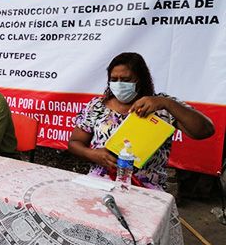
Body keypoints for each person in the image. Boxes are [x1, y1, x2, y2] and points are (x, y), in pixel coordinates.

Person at [68, 52, 215, 190]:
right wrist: (92, 154)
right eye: (114, 80)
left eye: (126, 80)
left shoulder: (162, 106)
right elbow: (74, 143)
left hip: (146, 190)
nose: (119, 84)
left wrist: (167, 103)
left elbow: (205, 130)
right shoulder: (97, 106)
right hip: (100, 184)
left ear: (140, 80)